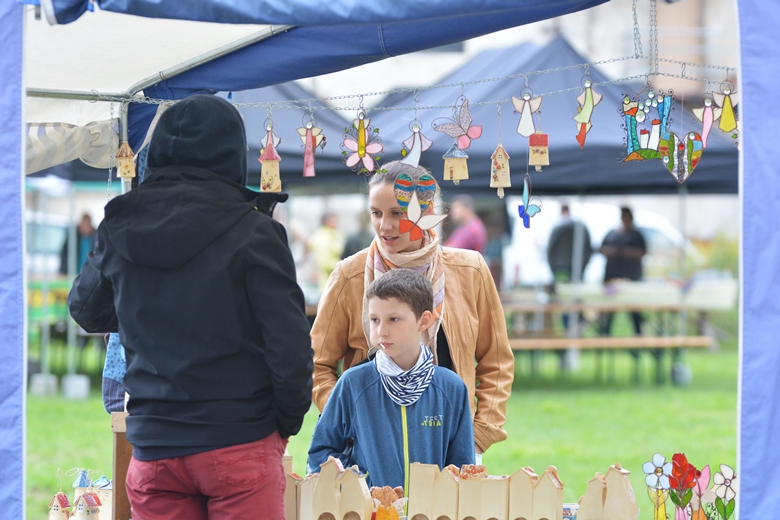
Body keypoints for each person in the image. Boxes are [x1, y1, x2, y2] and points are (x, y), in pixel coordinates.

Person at [67, 95, 313, 520]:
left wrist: (144, 307)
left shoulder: (119, 224)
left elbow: (86, 308)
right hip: (241, 439)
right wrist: (284, 425)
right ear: (233, 154)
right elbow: (290, 348)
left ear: (159, 149)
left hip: (156, 446)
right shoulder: (256, 231)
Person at [311, 161, 514, 460]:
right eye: (376, 213)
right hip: (368, 450)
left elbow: (496, 362)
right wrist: (352, 422)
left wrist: (478, 437)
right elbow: (318, 366)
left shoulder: (471, 270)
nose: (384, 225)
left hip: (452, 443)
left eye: (398, 213)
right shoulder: (348, 275)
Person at [307, 269, 475, 488]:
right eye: (375, 320)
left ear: (423, 320)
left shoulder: (451, 388)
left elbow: (462, 470)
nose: (381, 331)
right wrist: (358, 484)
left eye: (393, 319)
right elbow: (320, 452)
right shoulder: (353, 384)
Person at [599, 206, 647, 336]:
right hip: (612, 277)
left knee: (634, 310)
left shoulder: (636, 235)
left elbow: (642, 252)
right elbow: (601, 249)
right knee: (609, 310)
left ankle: (639, 336)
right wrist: (613, 252)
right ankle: (604, 335)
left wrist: (627, 252)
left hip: (632, 277)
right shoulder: (612, 234)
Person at [547, 204, 592, 284]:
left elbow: (550, 249)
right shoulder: (580, 226)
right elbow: (588, 248)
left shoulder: (558, 228)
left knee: (562, 289)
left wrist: (552, 268)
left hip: (560, 266)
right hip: (577, 266)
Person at [307, 212, 346, 294]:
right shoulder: (323, 238)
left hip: (339, 282)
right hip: (329, 284)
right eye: (334, 220)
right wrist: (345, 264)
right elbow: (324, 263)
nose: (337, 222)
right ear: (326, 221)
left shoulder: (337, 234)